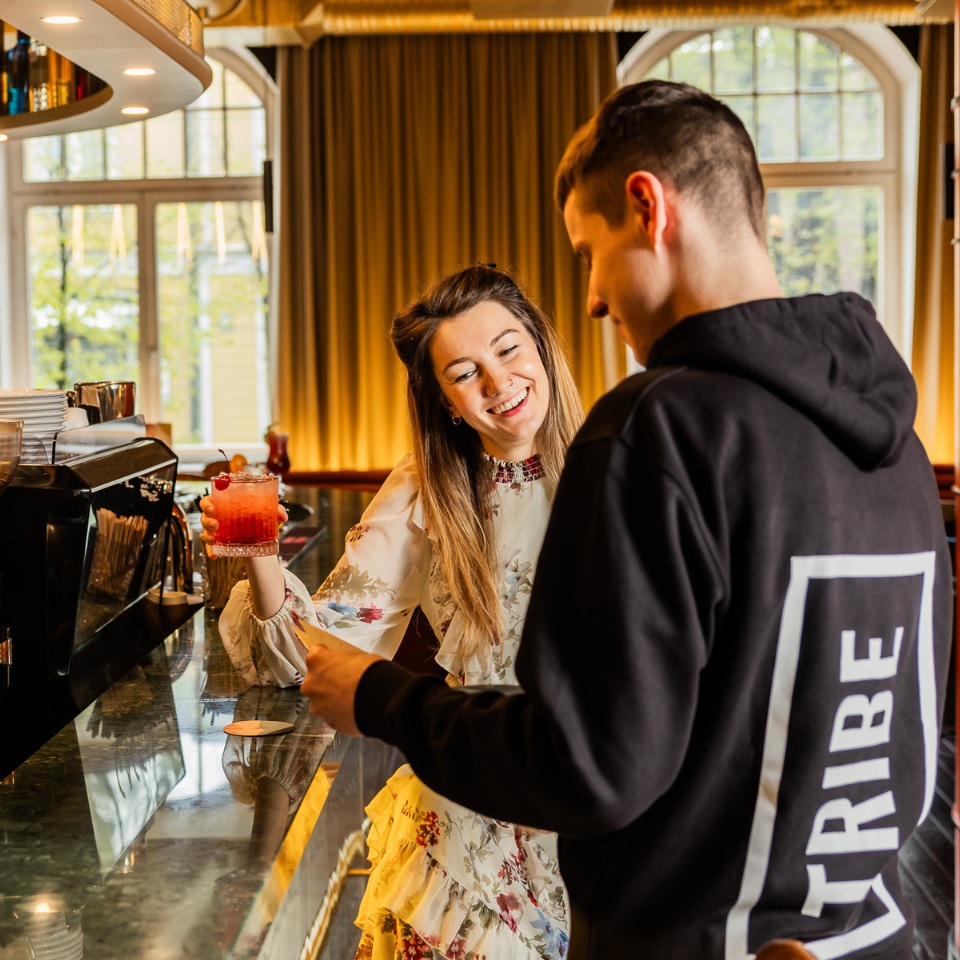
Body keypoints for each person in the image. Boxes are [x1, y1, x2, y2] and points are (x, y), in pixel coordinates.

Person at [299, 80, 955, 959]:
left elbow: (590, 769)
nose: (597, 301)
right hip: (868, 936)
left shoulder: (657, 428)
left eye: (588, 254)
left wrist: (381, 699)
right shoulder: (894, 441)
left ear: (647, 207)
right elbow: (902, 741)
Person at [201, 264, 584, 959]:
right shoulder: (423, 492)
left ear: (540, 343)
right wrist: (256, 548)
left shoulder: (622, 464)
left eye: (507, 349)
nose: (498, 384)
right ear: (444, 402)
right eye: (465, 373)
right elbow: (306, 658)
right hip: (470, 840)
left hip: (600, 832)